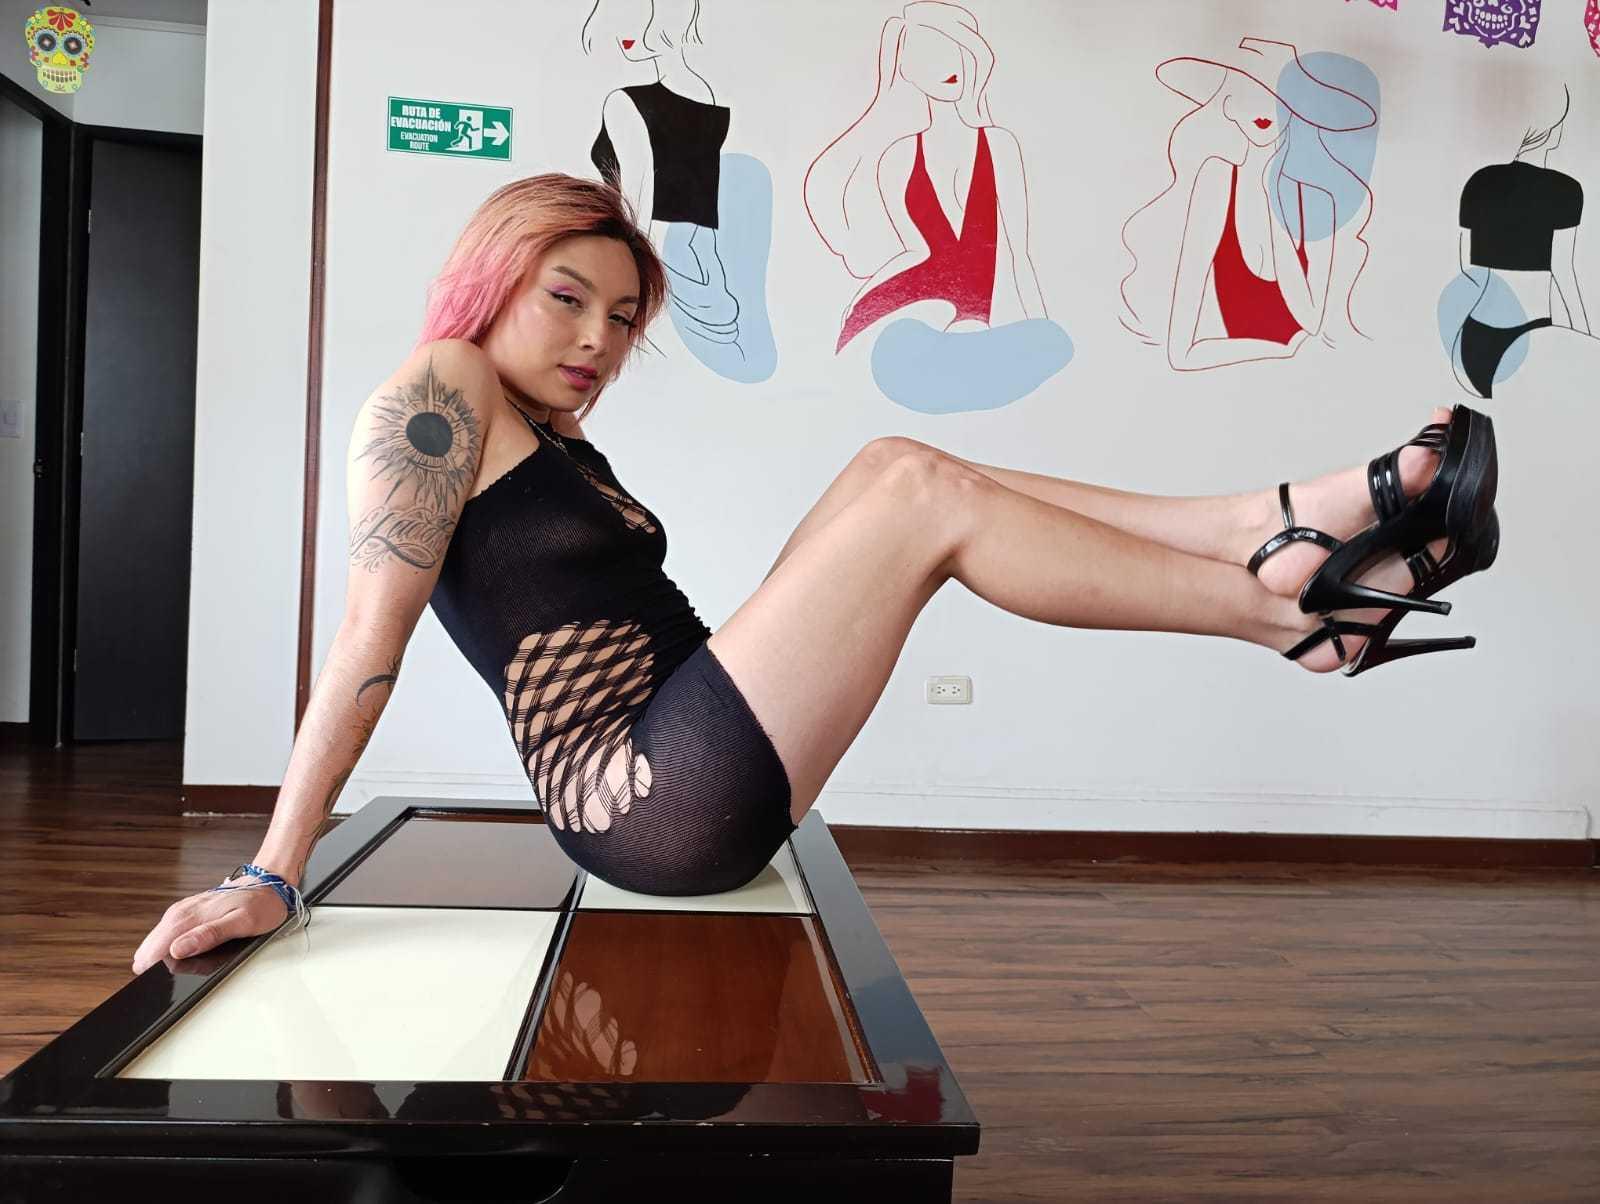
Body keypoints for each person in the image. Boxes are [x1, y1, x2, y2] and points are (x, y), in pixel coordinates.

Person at [131, 173, 1498, 975]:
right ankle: (1281, 608)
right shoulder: (437, 390)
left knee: (893, 465)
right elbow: (365, 641)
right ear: (492, 277)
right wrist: (274, 873)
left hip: (683, 744)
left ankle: (1272, 526)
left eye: (622, 318)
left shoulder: (542, 436)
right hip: (643, 795)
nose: (598, 339)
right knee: (910, 492)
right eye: (567, 298)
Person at [1119, 38, 1379, 370]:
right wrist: (1279, 353)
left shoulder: (1317, 200)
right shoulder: (1216, 180)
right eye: (1247, 90)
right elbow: (1181, 355)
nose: (1263, 108)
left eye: (1279, 97)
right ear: (1227, 102)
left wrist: (1274, 205)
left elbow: (1311, 322)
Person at [1450, 85, 1594, 400]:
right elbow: (1564, 272)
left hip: (1473, 338)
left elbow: (1464, 265)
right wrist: (1583, 336)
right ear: (1554, 131)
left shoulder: (1479, 181)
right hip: (1533, 337)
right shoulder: (1565, 190)